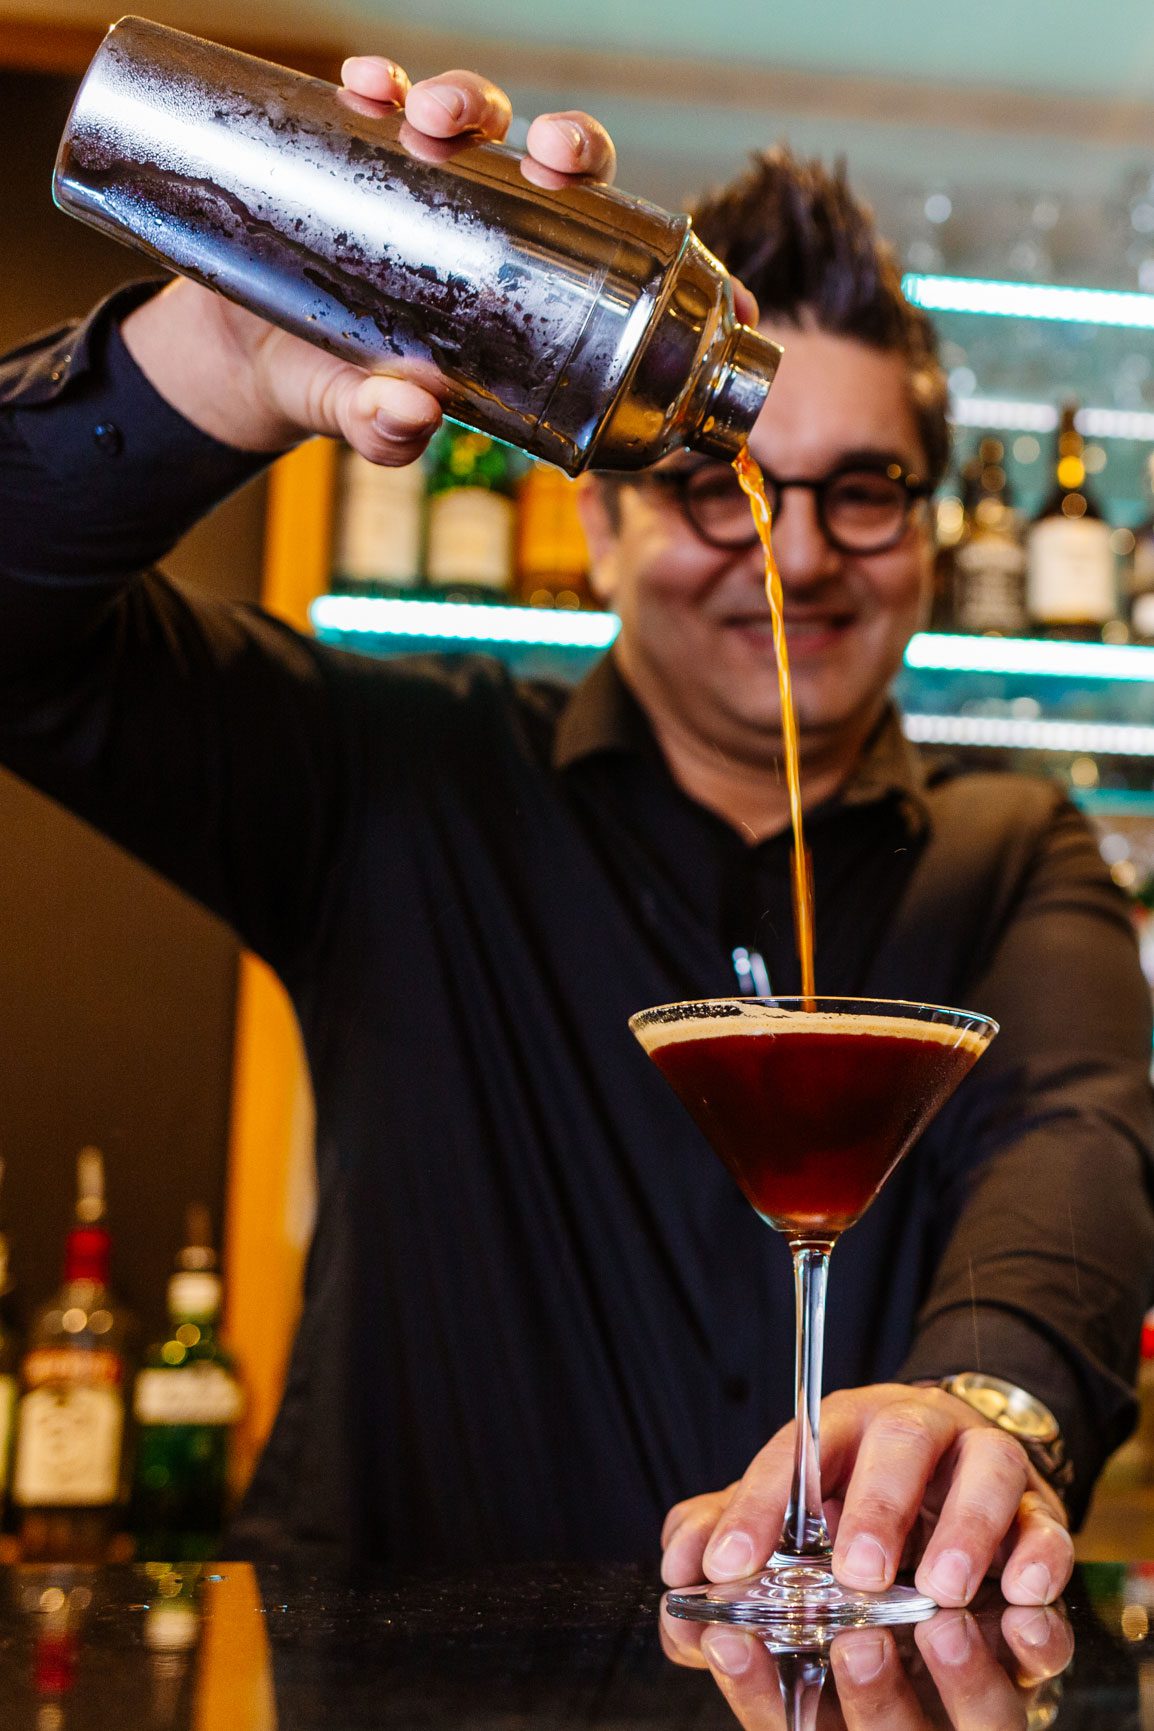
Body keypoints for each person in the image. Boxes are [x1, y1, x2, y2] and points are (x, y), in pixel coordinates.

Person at [1, 57, 1150, 1607]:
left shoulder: (1016, 850)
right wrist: (217, 351)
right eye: (714, 490)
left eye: (863, 492)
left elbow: (1078, 1132)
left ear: (929, 538)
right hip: (388, 1688)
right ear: (596, 518)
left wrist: (983, 1399)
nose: (789, 554)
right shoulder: (392, 772)